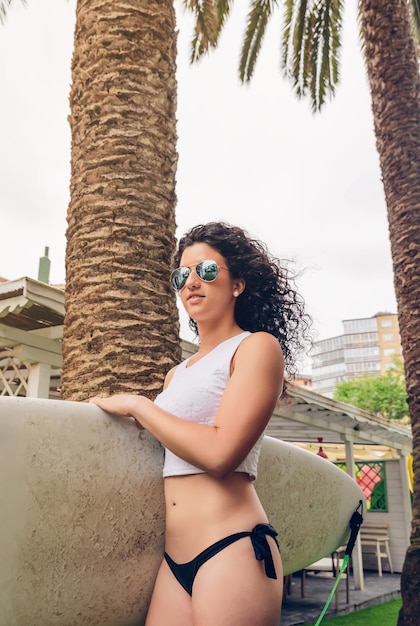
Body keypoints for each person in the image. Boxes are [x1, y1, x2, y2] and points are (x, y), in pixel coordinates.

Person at [90, 222, 310, 626]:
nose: (192, 282)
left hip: (232, 548)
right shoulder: (177, 374)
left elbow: (220, 453)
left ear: (238, 284)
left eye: (207, 271)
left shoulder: (256, 347)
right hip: (175, 559)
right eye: (182, 275)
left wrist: (140, 406)